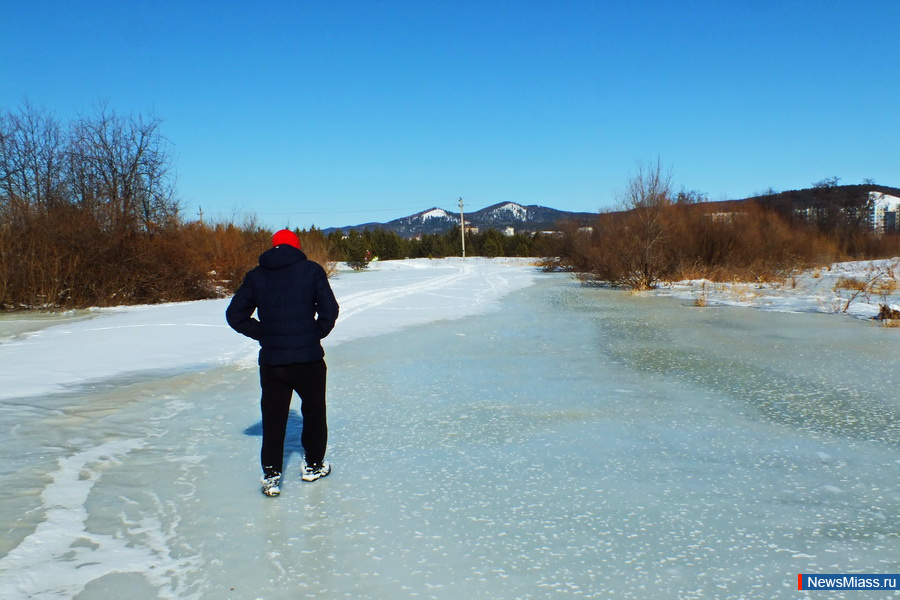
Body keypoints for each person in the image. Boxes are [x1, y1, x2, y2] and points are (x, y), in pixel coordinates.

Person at [226, 229, 340, 497]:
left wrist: (263, 333)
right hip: (308, 359)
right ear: (297, 246)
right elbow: (330, 310)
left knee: (273, 418)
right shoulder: (311, 270)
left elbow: (235, 315)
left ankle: (271, 476)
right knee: (314, 413)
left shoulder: (257, 275)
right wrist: (314, 334)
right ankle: (313, 466)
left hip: (273, 362)